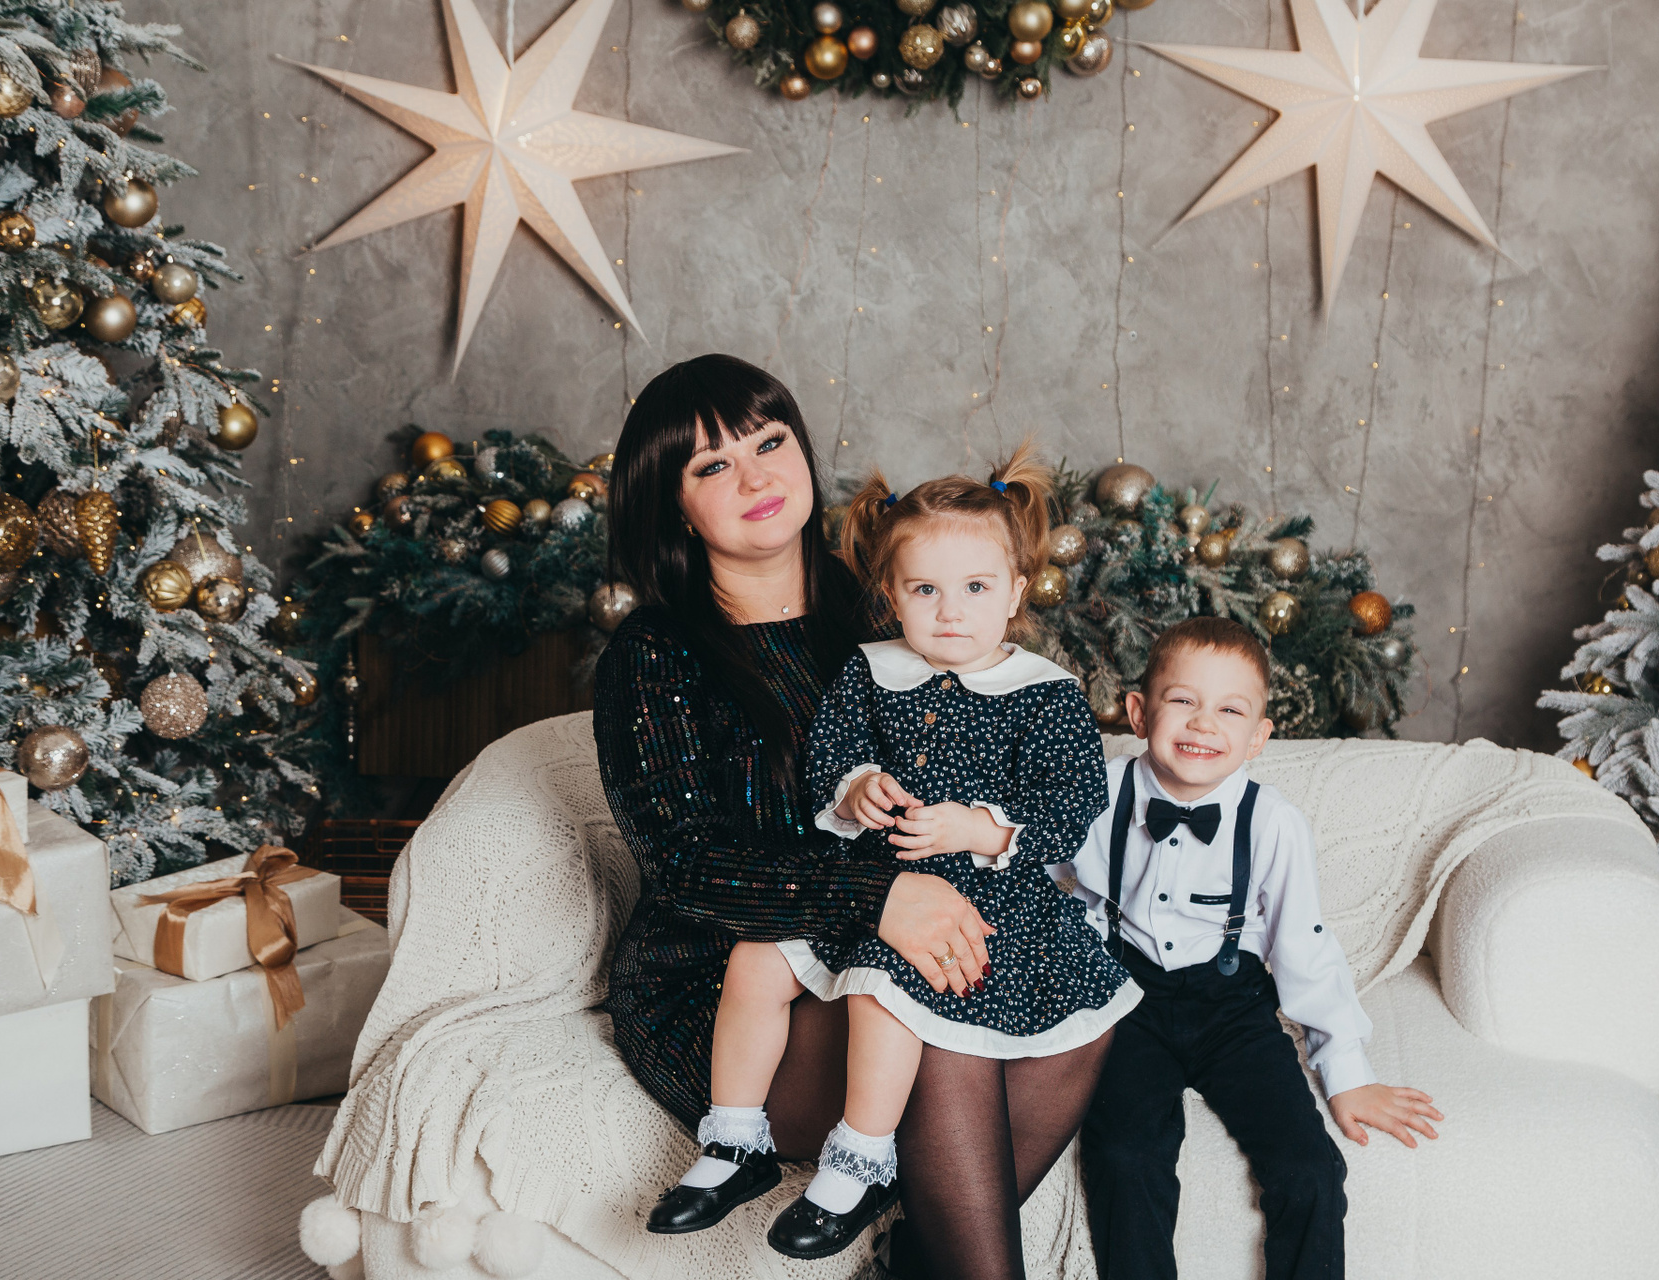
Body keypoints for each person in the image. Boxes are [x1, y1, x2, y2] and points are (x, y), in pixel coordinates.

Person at [593, 354, 1116, 1280]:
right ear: (673, 506)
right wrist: (878, 895)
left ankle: (918, 1262)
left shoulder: (890, 594)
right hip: (731, 978)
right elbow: (685, 865)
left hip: (883, 926)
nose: (754, 477)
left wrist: (970, 849)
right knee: (934, 1000)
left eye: (768, 443)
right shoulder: (655, 651)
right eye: (712, 465)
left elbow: (1005, 728)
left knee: (1078, 999)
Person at [1066, 617, 1444, 1280]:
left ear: (1258, 738)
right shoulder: (1097, 793)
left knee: (1310, 1168)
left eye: (1230, 710)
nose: (1203, 723)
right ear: (1139, 713)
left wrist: (1347, 1072)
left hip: (1232, 1008)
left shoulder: (1273, 823)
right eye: (1183, 700)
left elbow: (1303, 945)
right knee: (1124, 1156)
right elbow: (1039, 873)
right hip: (1127, 1001)